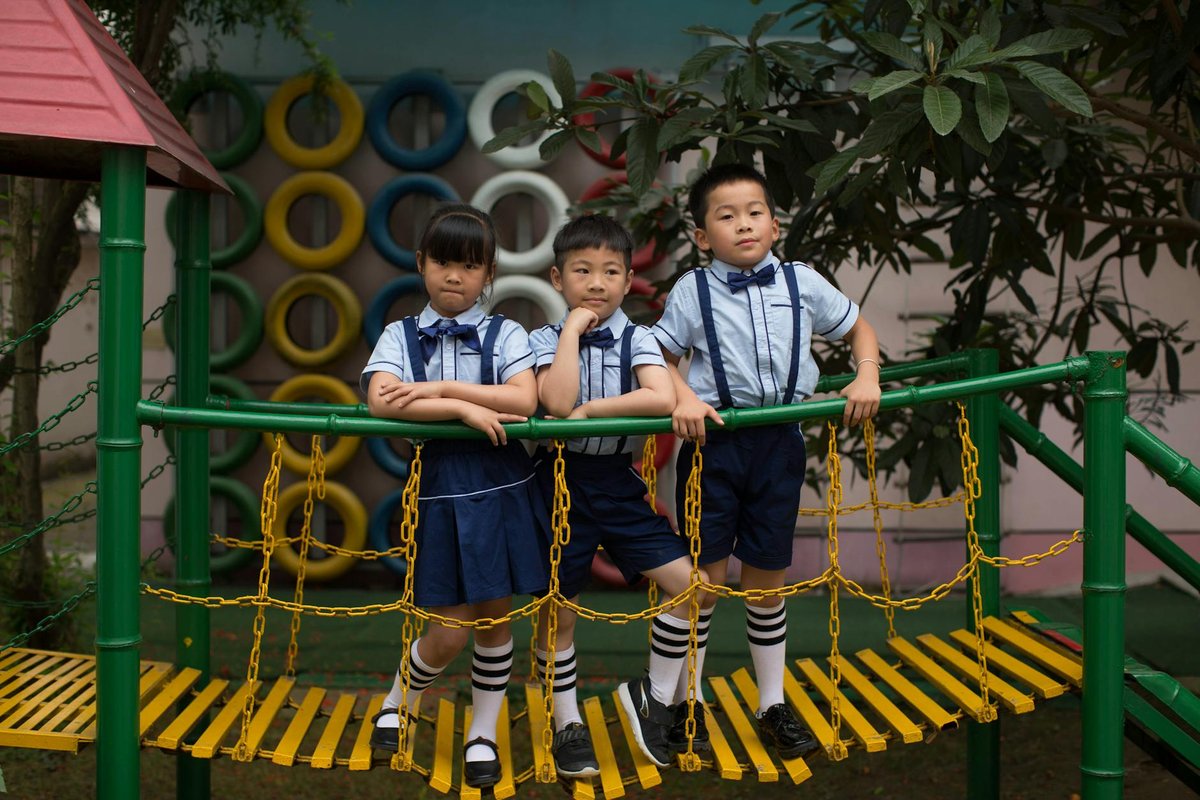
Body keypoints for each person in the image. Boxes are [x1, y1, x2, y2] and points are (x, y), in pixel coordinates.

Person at [650, 162, 882, 760]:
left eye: (754, 213)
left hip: (780, 445)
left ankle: (772, 702)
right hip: (714, 447)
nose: (743, 225)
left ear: (775, 225)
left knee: (767, 582)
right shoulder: (691, 291)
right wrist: (686, 398)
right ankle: (683, 703)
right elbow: (660, 356)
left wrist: (867, 375)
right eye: (726, 217)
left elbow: (858, 329)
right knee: (703, 583)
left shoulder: (803, 282)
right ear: (703, 237)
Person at [360, 203, 548, 789]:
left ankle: (482, 735)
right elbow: (382, 400)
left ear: (488, 274)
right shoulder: (399, 333)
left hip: (504, 486)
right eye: (442, 261)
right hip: (441, 489)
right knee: (447, 628)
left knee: (495, 618)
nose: (454, 276)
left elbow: (523, 401)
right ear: (421, 264)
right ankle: (398, 698)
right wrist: (467, 408)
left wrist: (439, 389)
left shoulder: (506, 331)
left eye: (470, 266)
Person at [529, 214, 707, 772]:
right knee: (558, 612)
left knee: (692, 588)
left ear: (629, 282)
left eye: (611, 271)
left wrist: (590, 413)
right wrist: (571, 334)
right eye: (583, 271)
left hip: (618, 482)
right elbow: (555, 402)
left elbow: (659, 399)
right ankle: (567, 724)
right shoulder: (538, 338)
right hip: (558, 482)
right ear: (558, 279)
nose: (598, 283)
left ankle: (651, 697)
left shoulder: (640, 336)